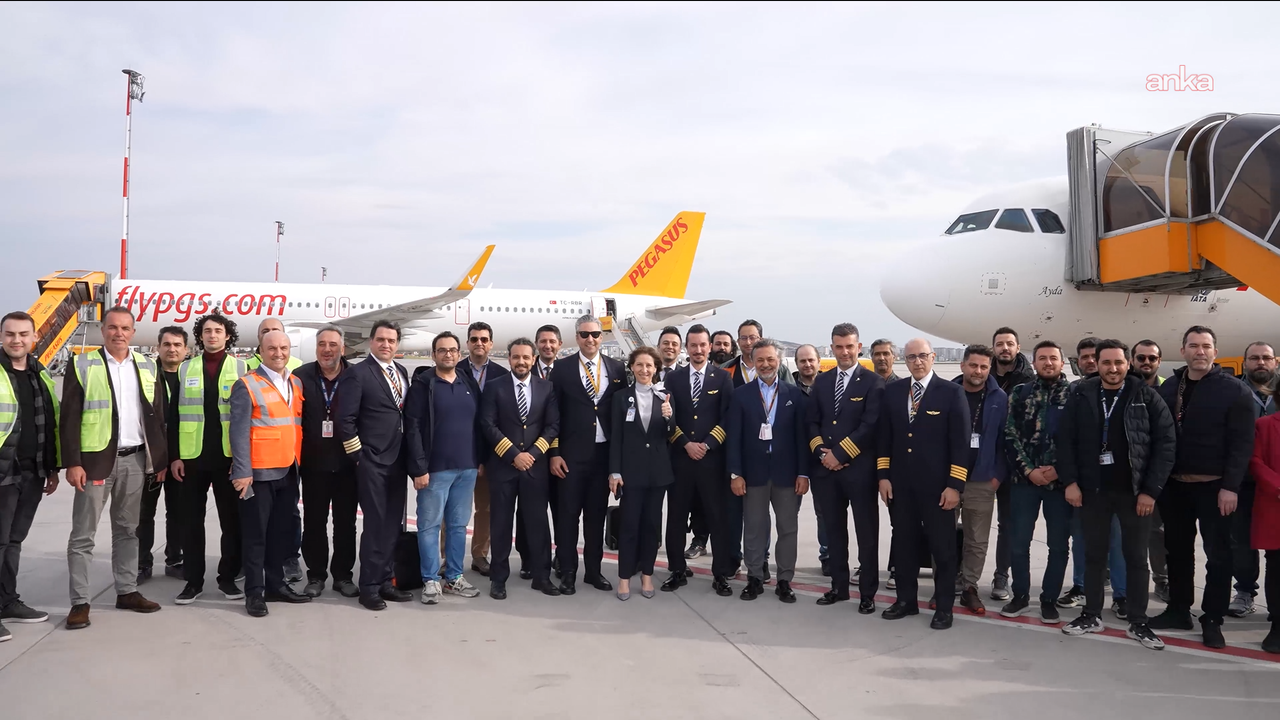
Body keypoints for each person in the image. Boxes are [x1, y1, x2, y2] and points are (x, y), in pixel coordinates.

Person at [1057, 339, 1176, 650]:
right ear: (1096, 364)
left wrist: (1150, 491)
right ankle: (1091, 614)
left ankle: (1138, 622)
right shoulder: (1081, 394)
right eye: (1106, 362)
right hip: (1093, 492)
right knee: (1094, 556)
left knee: (1135, 557)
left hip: (1134, 494)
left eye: (1119, 362)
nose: (1113, 368)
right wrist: (1070, 482)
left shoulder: (1146, 396)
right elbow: (1065, 440)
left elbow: (1165, 445)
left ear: (1128, 364)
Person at [1150, 326, 1255, 649]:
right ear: (1182, 350)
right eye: (1193, 346)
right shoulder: (1169, 389)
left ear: (1215, 352)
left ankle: (1212, 618)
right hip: (1175, 488)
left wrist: (1231, 487)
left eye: (1206, 346)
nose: (1200, 351)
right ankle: (1179, 609)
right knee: (1177, 552)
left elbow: (1242, 444)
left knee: (1219, 556)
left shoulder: (1234, 390)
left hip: (1216, 489)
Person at [61, 306, 167, 629]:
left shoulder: (147, 365)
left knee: (128, 530)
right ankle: (80, 602)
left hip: (135, 460)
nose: (118, 333)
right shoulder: (82, 364)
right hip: (95, 462)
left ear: (133, 332)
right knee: (83, 535)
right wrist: (73, 462)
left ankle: (127, 590)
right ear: (102, 330)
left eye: (124, 328)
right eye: (112, 327)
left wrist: (159, 460)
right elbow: (69, 418)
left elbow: (157, 415)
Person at [876, 338, 968, 629]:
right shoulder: (893, 392)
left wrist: (955, 485)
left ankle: (944, 607)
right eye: (911, 357)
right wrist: (883, 476)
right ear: (904, 360)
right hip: (901, 487)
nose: (917, 361)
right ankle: (906, 601)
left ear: (933, 357)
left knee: (943, 548)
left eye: (922, 356)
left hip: (938, 489)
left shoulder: (951, 392)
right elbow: (884, 438)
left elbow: (961, 444)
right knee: (904, 545)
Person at [229, 329, 311, 617]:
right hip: (259, 473)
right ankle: (254, 592)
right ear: (261, 351)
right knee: (256, 536)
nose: (279, 353)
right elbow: (238, 431)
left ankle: (276, 585)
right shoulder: (246, 384)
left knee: (280, 532)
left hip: (288, 468)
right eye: (272, 348)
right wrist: (242, 471)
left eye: (284, 348)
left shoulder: (295, 382)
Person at [338, 320, 414, 610]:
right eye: (381, 339)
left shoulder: (401, 371)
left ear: (397, 344)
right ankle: (368, 586)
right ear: (371, 341)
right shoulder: (358, 374)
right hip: (372, 461)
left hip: (397, 461)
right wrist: (359, 456)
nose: (386, 344)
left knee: (392, 524)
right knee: (375, 524)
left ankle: (385, 581)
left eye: (391, 340)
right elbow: (345, 420)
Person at [806, 325, 883, 613]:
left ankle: (867, 593)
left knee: (866, 534)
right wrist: (821, 452)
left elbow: (870, 426)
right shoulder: (822, 382)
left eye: (849, 346)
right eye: (839, 347)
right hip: (826, 472)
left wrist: (839, 454)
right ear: (832, 348)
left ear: (859, 347)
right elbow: (811, 422)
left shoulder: (873, 383)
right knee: (834, 532)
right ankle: (838, 587)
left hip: (859, 471)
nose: (845, 352)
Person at [726, 338, 809, 603]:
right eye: (760, 359)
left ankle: (784, 579)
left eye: (770, 359)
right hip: (753, 474)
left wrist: (803, 473)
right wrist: (735, 473)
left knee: (788, 528)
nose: (765, 364)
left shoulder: (794, 395)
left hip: (787, 475)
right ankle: (754, 577)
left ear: (779, 361)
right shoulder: (741, 395)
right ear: (753, 361)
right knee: (754, 528)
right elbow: (734, 438)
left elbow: (802, 438)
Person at [547, 315, 625, 594]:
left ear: (601, 336)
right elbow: (553, 415)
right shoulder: (562, 368)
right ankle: (568, 572)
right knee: (568, 517)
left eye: (594, 334)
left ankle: (593, 571)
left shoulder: (616, 367)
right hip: (570, 457)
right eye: (584, 334)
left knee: (596, 517)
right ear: (576, 337)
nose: (589, 339)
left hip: (602, 456)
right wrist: (555, 452)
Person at [172, 312, 247, 605]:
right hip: (192, 457)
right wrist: (175, 456)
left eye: (218, 330)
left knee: (232, 522)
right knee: (191, 522)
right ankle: (193, 581)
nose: (212, 335)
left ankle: (227, 578)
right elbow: (173, 416)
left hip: (228, 458)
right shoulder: (185, 368)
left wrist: (242, 459)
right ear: (200, 336)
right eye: (207, 331)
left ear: (227, 336)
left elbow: (247, 418)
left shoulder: (241, 367)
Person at [406, 331, 482, 604]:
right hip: (434, 470)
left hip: (467, 468)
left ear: (459, 354)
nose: (448, 354)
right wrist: (418, 468)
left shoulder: (467, 382)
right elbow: (413, 428)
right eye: (442, 350)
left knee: (458, 526)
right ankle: (430, 580)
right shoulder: (423, 385)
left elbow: (479, 423)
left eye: (452, 350)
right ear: (433, 354)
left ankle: (454, 577)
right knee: (429, 526)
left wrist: (479, 460)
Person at [481, 338, 561, 599]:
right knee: (501, 525)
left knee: (538, 524)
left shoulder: (546, 387)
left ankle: (541, 576)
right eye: (516, 357)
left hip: (534, 469)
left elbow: (552, 426)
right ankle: (498, 579)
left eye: (526, 357)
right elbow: (488, 425)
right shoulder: (494, 387)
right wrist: (514, 455)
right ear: (509, 359)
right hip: (503, 468)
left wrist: (532, 455)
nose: (521, 362)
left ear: (533, 359)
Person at [1001, 340, 1072, 625]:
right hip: (1024, 482)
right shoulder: (1021, 393)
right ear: (1034, 363)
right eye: (1042, 358)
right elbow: (1009, 434)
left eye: (1053, 358)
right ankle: (1020, 595)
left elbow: (1081, 438)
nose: (1048, 363)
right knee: (1019, 543)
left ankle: (1049, 599)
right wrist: (1029, 470)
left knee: (1058, 546)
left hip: (1059, 484)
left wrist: (1059, 470)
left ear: (1062, 362)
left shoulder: (1075, 395)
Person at [660, 324, 734, 596]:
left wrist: (707, 444)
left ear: (710, 346)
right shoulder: (674, 379)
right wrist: (685, 444)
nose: (699, 350)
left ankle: (720, 574)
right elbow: (669, 418)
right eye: (693, 345)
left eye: (703, 345)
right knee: (676, 519)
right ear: (686, 348)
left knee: (717, 518)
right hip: (680, 460)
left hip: (711, 462)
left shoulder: (722, 378)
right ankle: (677, 570)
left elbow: (728, 418)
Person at [0, 312, 60, 638]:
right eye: (10, 334)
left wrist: (52, 467)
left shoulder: (41, 373)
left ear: (34, 338)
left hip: (32, 471)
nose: (17, 340)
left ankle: (7, 601)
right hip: (3, 471)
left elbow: (49, 422)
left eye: (23, 334)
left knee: (14, 541)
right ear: (1, 336)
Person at [294, 326, 359, 598]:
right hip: (313, 465)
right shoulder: (300, 377)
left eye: (333, 344)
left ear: (342, 349)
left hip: (348, 465)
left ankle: (343, 576)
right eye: (322, 344)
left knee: (346, 524)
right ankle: (316, 576)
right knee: (314, 523)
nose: (327, 349)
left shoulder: (356, 376)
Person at [609, 347, 675, 600]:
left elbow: (670, 433)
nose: (644, 370)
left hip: (657, 473)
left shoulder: (665, 396)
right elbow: (616, 437)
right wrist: (615, 471)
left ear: (656, 369)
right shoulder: (621, 397)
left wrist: (669, 418)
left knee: (650, 527)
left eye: (649, 365)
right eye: (639, 365)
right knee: (629, 526)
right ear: (632, 367)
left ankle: (647, 575)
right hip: (631, 472)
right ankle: (624, 578)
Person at [952, 345, 1008, 616]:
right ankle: (944, 584)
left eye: (984, 367)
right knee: (943, 536)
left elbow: (1006, 439)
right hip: (949, 480)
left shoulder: (999, 398)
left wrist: (997, 476)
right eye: (973, 365)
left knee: (976, 540)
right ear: (963, 365)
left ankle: (969, 587)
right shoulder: (947, 393)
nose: (978, 371)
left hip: (982, 481)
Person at [1063, 337, 1115, 611]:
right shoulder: (1075, 392)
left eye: (1095, 356)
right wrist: (1071, 480)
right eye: (1084, 357)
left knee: (1118, 542)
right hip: (1085, 481)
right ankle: (1081, 586)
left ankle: (1121, 594)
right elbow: (1067, 439)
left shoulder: (1125, 391)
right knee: (1081, 538)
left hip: (1117, 482)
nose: (1090, 361)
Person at [1229, 341, 1277, 618]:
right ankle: (1245, 591)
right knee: (1242, 540)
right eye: (1255, 358)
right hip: (1243, 479)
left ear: (1275, 362)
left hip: (1277, 483)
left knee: (1277, 545)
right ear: (1245, 362)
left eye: (1266, 358)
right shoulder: (1233, 390)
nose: (1261, 362)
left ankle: (1277, 601)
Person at [457, 321, 508, 578]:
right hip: (458, 452)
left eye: (484, 339)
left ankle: (479, 555)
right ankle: (448, 558)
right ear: (467, 343)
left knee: (485, 509)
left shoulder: (501, 374)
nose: (479, 343)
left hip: (490, 454)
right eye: (474, 339)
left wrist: (489, 456)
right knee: (453, 510)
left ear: (491, 344)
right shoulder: (454, 369)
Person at [137, 326, 186, 584]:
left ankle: (175, 560)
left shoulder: (191, 376)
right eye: (166, 344)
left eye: (177, 345)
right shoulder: (146, 375)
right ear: (158, 348)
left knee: (178, 512)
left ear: (186, 349)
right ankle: (142, 563)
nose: (172, 349)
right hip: (150, 456)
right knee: (144, 513)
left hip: (180, 456)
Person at [516, 324, 562, 579]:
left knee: (561, 509)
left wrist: (555, 451)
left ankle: (558, 556)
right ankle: (528, 558)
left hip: (558, 454)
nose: (547, 346)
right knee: (526, 511)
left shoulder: (567, 371)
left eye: (552, 341)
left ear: (559, 345)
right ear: (536, 346)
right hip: (527, 455)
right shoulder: (523, 369)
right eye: (543, 341)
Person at [990, 327, 1033, 602]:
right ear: (993, 348)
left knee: (1008, 524)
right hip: (981, 463)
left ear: (1018, 347)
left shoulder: (1029, 382)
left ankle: (1001, 576)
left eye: (1009, 344)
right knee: (967, 523)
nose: (1005, 348)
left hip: (1012, 465)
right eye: (1000, 344)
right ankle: (961, 574)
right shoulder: (981, 374)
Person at [1131, 339, 1169, 602]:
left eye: (1152, 358)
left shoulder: (1169, 389)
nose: (1146, 362)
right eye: (1141, 358)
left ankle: (1162, 580)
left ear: (1159, 361)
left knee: (1157, 532)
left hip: (1156, 473)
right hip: (1126, 473)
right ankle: (1114, 577)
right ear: (1132, 360)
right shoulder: (1125, 387)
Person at [1247, 397, 1280, 653]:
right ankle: (1277, 625)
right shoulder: (1264, 425)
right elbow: (1255, 461)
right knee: (1277, 567)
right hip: (1274, 504)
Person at [793, 343, 829, 575]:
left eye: (811, 360)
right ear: (796, 364)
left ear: (818, 361)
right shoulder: (787, 389)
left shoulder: (829, 386)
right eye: (802, 361)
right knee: (789, 512)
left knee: (824, 511)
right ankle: (783, 558)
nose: (807, 364)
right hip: (795, 459)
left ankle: (827, 554)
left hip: (823, 459)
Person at [724, 320, 793, 387]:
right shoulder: (726, 368)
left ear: (761, 340)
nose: (748, 342)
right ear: (738, 341)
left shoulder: (780, 369)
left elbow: (791, 391)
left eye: (752, 338)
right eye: (744, 338)